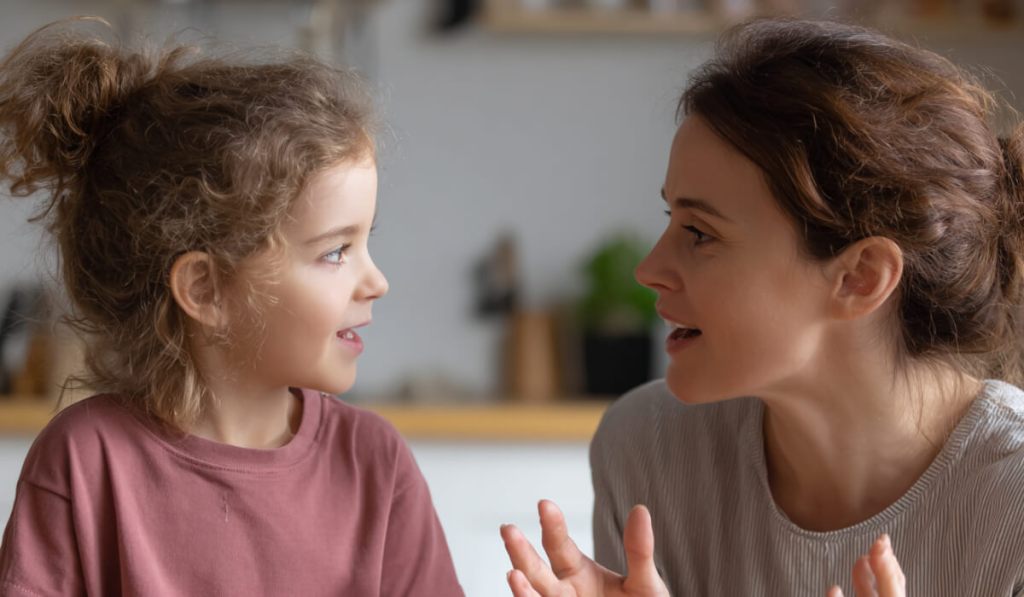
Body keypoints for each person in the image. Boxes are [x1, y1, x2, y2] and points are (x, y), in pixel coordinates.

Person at [501, 17, 1024, 597]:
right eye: (670, 218)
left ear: (860, 277)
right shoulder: (648, 449)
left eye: (699, 233)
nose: (648, 270)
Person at [0, 18, 463, 596]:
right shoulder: (85, 460)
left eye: (366, 241)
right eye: (335, 252)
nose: (377, 282)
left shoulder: (375, 463)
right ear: (206, 289)